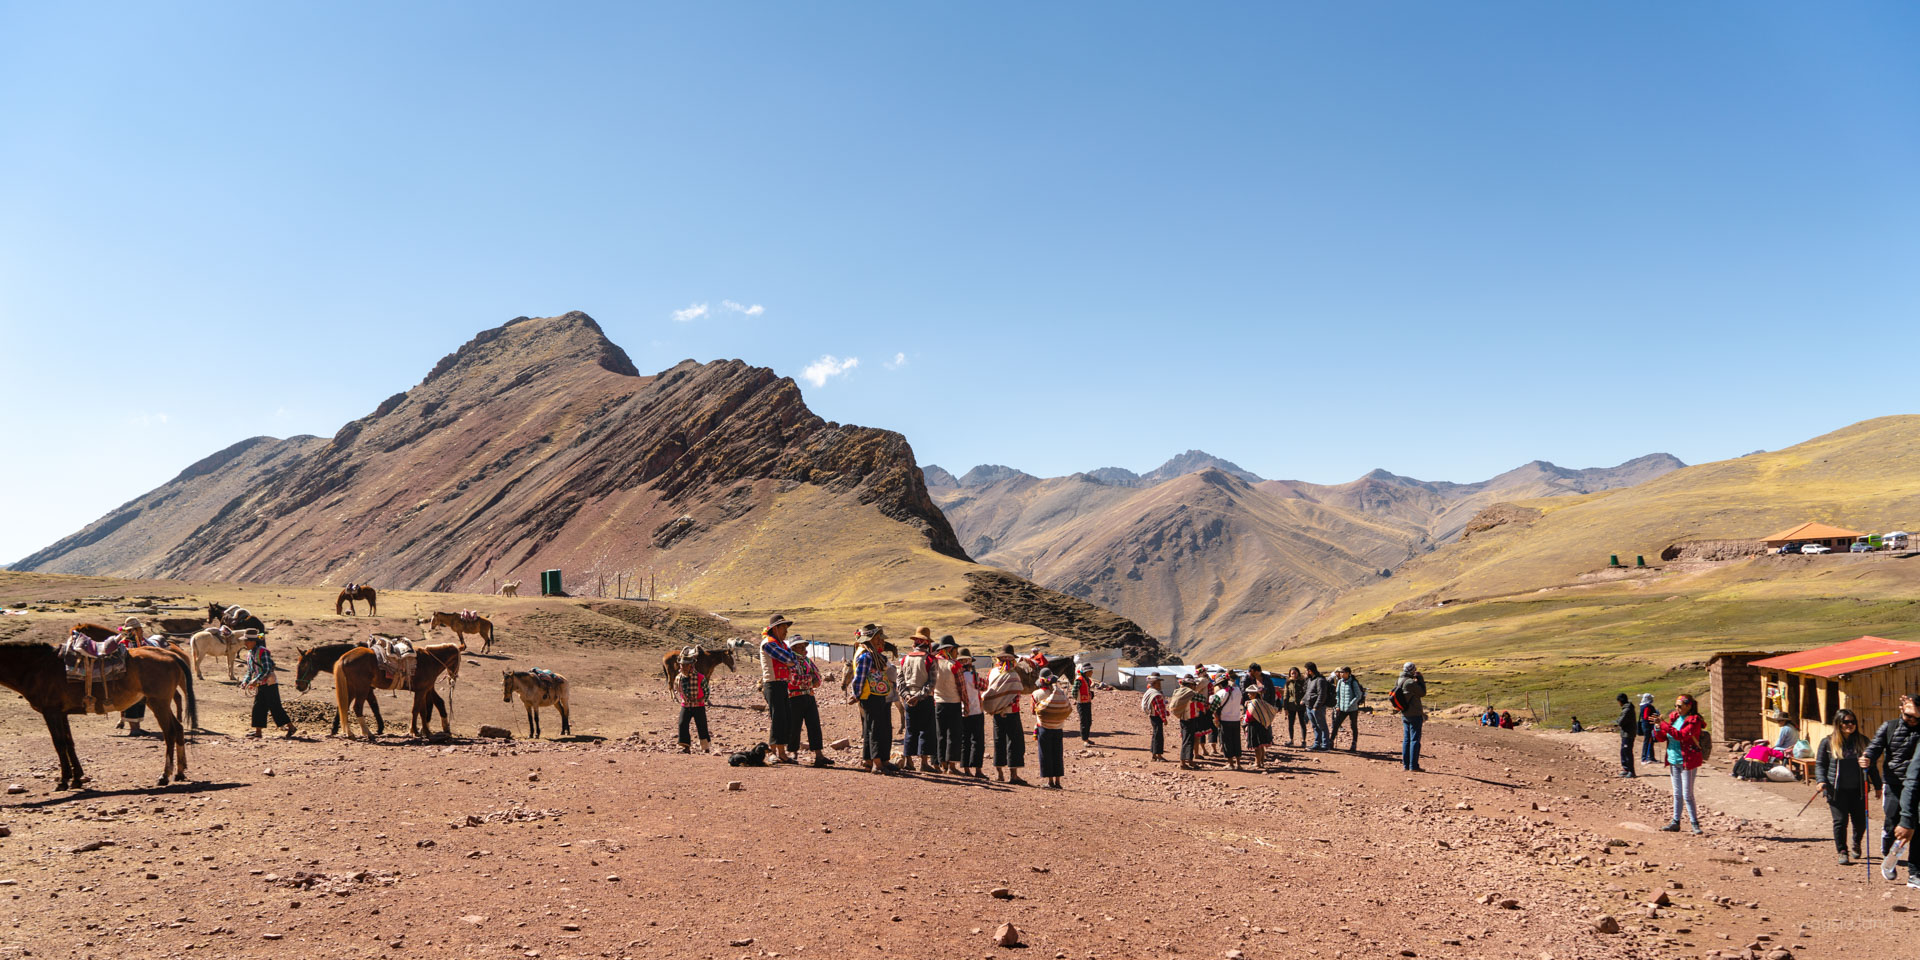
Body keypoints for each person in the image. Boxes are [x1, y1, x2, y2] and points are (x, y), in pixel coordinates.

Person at [1864, 695, 1920, 881]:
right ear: (1901, 710)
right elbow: (1875, 747)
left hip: (1916, 783)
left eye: (1917, 718)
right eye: (1909, 716)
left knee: (1916, 824)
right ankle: (1889, 856)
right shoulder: (1890, 727)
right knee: (1892, 822)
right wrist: (1868, 758)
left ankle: (1915, 871)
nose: (1913, 721)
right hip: (1894, 782)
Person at [1817, 708, 1880, 864]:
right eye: (1846, 722)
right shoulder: (1828, 742)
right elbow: (1820, 764)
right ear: (1838, 723)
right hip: (1836, 790)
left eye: (1852, 722)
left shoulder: (1863, 741)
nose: (1849, 725)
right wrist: (1821, 780)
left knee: (1860, 822)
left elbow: (1871, 766)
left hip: (1858, 790)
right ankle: (1842, 851)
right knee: (1840, 821)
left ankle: (1856, 843)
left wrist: (1878, 786)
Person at [1652, 693, 1706, 834]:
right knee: (1677, 793)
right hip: (1673, 759)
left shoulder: (1694, 721)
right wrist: (1658, 727)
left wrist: (1663, 724)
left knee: (1687, 794)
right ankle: (1675, 821)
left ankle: (1695, 823)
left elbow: (1680, 735)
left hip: (1687, 760)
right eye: (1675, 706)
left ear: (1689, 706)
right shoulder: (1675, 718)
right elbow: (1664, 738)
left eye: (1680, 706)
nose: (1677, 708)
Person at [847, 624, 895, 774]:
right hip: (870, 696)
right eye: (878, 638)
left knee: (872, 727)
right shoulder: (866, 655)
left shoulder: (872, 653)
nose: (881, 641)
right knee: (875, 728)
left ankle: (870, 761)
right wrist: (856, 694)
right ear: (871, 639)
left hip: (877, 695)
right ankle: (877, 763)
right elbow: (859, 678)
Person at [758, 614, 804, 764]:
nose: (786, 631)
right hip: (773, 684)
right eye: (783, 628)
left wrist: (792, 659)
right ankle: (776, 752)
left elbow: (793, 660)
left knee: (784, 717)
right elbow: (790, 659)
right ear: (775, 628)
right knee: (778, 717)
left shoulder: (780, 644)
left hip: (782, 684)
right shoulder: (769, 643)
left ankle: (780, 751)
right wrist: (792, 659)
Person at [984, 646, 1028, 784]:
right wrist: (1005, 705)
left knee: (999, 741)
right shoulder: (1013, 675)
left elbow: (989, 690)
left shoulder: (992, 672)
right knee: (1014, 742)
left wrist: (998, 706)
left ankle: (999, 774)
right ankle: (1013, 775)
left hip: (996, 712)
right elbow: (1015, 695)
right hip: (1011, 712)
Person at [785, 637, 832, 767]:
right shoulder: (790, 661)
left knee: (814, 725)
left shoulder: (807, 660)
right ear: (793, 648)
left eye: (804, 647)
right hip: (794, 697)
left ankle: (819, 754)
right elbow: (793, 679)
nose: (804, 649)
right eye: (801, 647)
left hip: (809, 696)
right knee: (795, 726)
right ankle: (793, 753)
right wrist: (811, 678)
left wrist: (812, 679)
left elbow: (818, 676)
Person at [898, 628, 940, 772]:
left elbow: (900, 680)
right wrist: (919, 696)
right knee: (926, 730)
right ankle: (924, 762)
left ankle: (908, 761)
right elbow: (931, 682)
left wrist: (907, 696)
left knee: (910, 729)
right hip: (924, 699)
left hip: (908, 700)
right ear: (927, 643)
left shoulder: (905, 659)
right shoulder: (930, 659)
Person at [239, 632, 295, 739]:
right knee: (258, 707)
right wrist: (245, 681)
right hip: (259, 684)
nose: (245, 643)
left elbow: (267, 669)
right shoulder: (250, 654)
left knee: (275, 707)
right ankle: (258, 732)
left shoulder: (263, 652)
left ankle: (291, 727)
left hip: (269, 684)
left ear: (253, 642)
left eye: (246, 641)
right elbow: (250, 671)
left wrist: (256, 679)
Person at [1033, 672, 1073, 789]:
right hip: (1058, 727)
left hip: (1043, 727)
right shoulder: (1060, 693)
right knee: (1057, 753)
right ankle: (1058, 781)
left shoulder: (1036, 694)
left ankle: (1050, 782)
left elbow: (1033, 710)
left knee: (1046, 754)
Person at [932, 638, 965, 773]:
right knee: (953, 734)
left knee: (940, 734)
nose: (957, 653)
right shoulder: (954, 665)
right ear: (950, 649)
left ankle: (942, 763)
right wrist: (966, 704)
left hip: (938, 702)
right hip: (953, 702)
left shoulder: (933, 663)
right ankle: (951, 765)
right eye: (956, 650)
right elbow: (961, 687)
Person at [673, 647, 712, 754]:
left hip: (698, 706)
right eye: (682, 665)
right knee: (682, 724)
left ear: (691, 665)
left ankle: (705, 748)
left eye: (686, 665)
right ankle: (686, 747)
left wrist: (703, 699)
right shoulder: (678, 678)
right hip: (685, 706)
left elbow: (706, 691)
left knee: (702, 726)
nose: (684, 667)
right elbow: (677, 689)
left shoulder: (700, 677)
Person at [1392, 662, 1427, 772]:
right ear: (1412, 670)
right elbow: (1422, 692)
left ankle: (1406, 765)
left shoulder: (1399, 680)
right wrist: (1420, 678)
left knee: (1407, 739)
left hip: (1404, 713)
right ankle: (1413, 766)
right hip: (1414, 713)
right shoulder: (1410, 682)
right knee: (1415, 740)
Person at [1213, 669, 1244, 771]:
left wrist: (1216, 718)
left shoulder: (1220, 693)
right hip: (1235, 719)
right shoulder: (1238, 690)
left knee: (1227, 742)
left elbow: (1213, 708)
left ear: (1220, 685)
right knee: (1236, 741)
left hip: (1225, 720)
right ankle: (1238, 764)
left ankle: (1230, 764)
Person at [1329, 666, 1365, 752]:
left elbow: (1358, 695)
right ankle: (1331, 742)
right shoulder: (1340, 682)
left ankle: (1354, 743)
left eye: (1343, 672)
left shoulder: (1353, 683)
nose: (1341, 674)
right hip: (1341, 708)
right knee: (1336, 724)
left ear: (1348, 673)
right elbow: (1338, 695)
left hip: (1353, 709)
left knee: (1353, 726)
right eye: (1340, 672)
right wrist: (1337, 705)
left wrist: (1351, 704)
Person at [1175, 676, 1207, 770]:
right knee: (1188, 741)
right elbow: (1203, 699)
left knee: (1187, 740)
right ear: (1190, 685)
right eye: (1194, 685)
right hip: (1189, 719)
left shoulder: (1180, 692)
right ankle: (1184, 762)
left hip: (1183, 718)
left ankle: (1188, 760)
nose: (1195, 686)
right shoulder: (1190, 693)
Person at [1243, 682, 1277, 767]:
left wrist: (1245, 718)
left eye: (1250, 693)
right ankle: (1261, 762)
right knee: (1261, 746)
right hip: (1262, 726)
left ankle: (1257, 763)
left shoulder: (1253, 703)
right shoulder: (1261, 702)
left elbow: (1250, 717)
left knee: (1257, 747)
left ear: (1254, 693)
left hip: (1255, 727)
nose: (1248, 694)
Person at [1303, 662, 1333, 751]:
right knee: (1315, 726)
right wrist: (1304, 700)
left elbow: (1322, 694)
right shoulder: (1310, 680)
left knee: (1322, 726)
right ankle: (1317, 744)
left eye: (1306, 670)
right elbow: (1308, 692)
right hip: (1309, 706)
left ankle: (1325, 745)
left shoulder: (1320, 680)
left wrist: (1316, 706)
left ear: (1310, 671)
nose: (1305, 672)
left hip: (1317, 708)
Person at [1141, 675, 1170, 762]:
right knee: (1158, 736)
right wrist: (1164, 719)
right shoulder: (1156, 694)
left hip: (1152, 716)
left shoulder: (1150, 691)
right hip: (1157, 717)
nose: (1160, 684)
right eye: (1158, 683)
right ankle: (1159, 756)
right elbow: (1159, 708)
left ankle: (1154, 755)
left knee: (1155, 734)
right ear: (1154, 683)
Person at [1282, 667, 1308, 747]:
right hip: (1291, 706)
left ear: (1298, 673)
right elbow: (1286, 695)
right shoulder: (1288, 683)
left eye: (1295, 673)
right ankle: (1291, 740)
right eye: (1292, 673)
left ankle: (1304, 741)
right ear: (1290, 674)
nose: (1293, 674)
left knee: (1302, 723)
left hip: (1301, 706)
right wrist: (1285, 708)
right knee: (1290, 723)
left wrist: (1305, 702)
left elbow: (1306, 693)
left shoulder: (1303, 681)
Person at [1074, 663, 1097, 744]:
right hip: (1081, 703)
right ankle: (1085, 740)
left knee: (1089, 721)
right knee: (1084, 722)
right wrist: (1076, 699)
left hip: (1087, 702)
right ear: (1086, 672)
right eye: (1091, 671)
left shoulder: (1087, 679)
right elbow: (1074, 691)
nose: (1092, 673)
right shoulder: (1079, 680)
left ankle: (1086, 738)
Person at [1615, 693, 1637, 778]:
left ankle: (1631, 771)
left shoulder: (1627, 710)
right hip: (1625, 733)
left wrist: (1618, 721)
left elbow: (1620, 721)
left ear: (1621, 701)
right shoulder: (1626, 709)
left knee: (1627, 752)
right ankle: (1626, 769)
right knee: (1623, 751)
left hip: (1628, 733)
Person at [1638, 694, 1659, 763]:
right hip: (1648, 726)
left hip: (1646, 725)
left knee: (1650, 741)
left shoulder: (1643, 706)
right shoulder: (1647, 706)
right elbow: (1646, 717)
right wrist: (1654, 718)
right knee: (1647, 741)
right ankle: (1644, 758)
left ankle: (1651, 757)